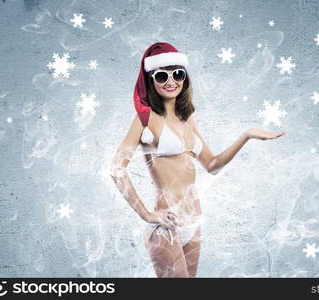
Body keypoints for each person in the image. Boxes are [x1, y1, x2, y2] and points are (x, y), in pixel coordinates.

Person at [110, 42, 285, 277]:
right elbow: (116, 168)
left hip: (193, 222)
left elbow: (211, 165)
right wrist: (147, 214)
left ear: (185, 77)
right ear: (151, 80)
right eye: (162, 76)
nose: (171, 81)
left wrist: (246, 136)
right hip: (166, 225)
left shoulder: (187, 118)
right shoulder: (145, 118)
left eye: (177, 74)